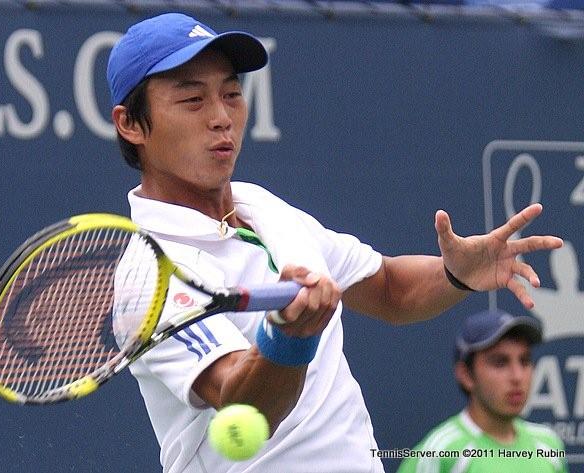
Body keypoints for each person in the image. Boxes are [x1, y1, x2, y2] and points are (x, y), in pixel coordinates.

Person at [106, 12, 563, 473]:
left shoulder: (264, 206)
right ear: (131, 124)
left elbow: (389, 289)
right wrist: (291, 335)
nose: (222, 117)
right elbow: (243, 405)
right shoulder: (150, 272)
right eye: (191, 99)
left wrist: (454, 275)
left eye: (231, 94)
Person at [396, 309, 568, 473]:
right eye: (500, 362)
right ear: (466, 375)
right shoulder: (440, 451)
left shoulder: (549, 444)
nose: (517, 376)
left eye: (524, 361)